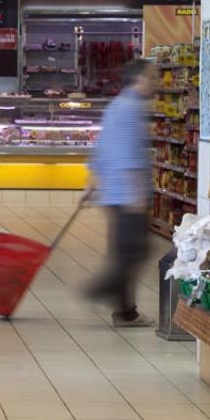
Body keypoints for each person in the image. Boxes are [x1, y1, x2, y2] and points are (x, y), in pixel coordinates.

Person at [83, 58, 155, 327]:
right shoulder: (132, 108)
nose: (154, 83)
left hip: (112, 192)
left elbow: (102, 146)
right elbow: (129, 155)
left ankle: (125, 311)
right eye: (151, 77)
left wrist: (91, 183)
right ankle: (103, 289)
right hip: (127, 196)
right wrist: (137, 196)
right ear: (139, 79)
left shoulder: (116, 105)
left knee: (125, 251)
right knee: (137, 251)